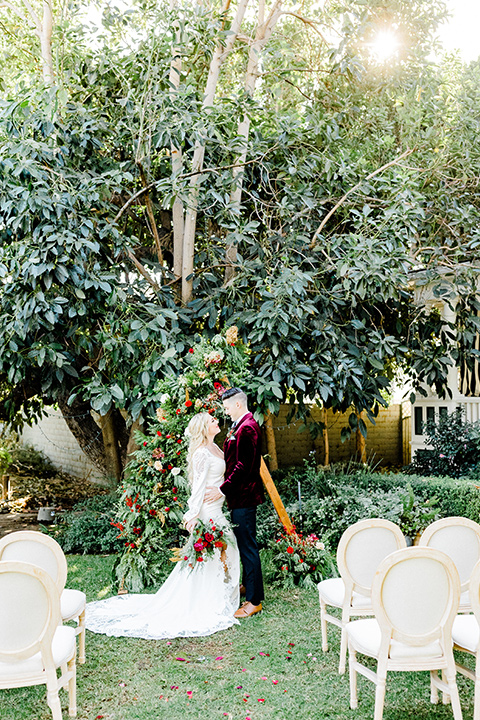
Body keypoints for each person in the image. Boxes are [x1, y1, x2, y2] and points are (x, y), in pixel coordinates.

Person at [85, 412, 240, 639]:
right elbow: (197, 488)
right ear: (203, 428)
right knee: (215, 554)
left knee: (226, 552)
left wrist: (221, 491)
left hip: (217, 508)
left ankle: (221, 596)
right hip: (207, 513)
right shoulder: (201, 454)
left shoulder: (217, 448)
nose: (216, 421)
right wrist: (192, 515)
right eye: (211, 421)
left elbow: (218, 480)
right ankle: (211, 600)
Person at [204, 388, 264, 618]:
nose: (225, 412)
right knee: (244, 544)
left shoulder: (247, 427)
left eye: (227, 407)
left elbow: (244, 466)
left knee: (248, 546)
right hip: (239, 497)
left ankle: (254, 600)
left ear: (238, 405)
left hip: (245, 496)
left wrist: (222, 489)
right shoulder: (240, 425)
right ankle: (250, 587)